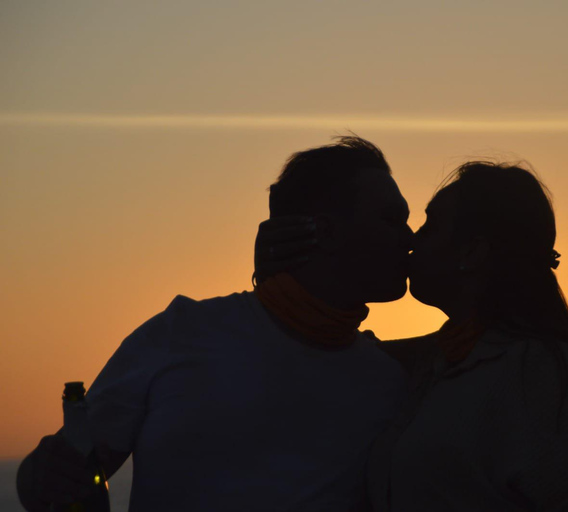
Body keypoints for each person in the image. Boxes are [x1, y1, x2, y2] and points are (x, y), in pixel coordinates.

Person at [16, 136, 413, 512]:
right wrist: (36, 475)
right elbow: (64, 470)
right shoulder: (183, 332)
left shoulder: (392, 377)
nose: (409, 237)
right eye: (392, 220)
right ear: (324, 231)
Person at [259, 161, 568, 511]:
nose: (412, 239)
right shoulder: (442, 358)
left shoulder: (541, 371)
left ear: (473, 252)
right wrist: (288, 271)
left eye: (431, 225)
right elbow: (338, 350)